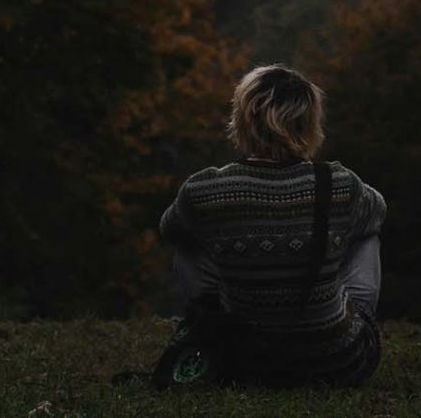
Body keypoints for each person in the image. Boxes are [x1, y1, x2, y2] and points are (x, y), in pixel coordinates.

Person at [157, 64, 386, 388]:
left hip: (245, 363)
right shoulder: (339, 183)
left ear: (242, 120)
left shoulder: (202, 189)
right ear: (310, 123)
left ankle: (213, 321)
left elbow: (170, 229)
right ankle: (331, 321)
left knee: (187, 238)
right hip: (338, 363)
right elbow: (378, 212)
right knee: (367, 235)